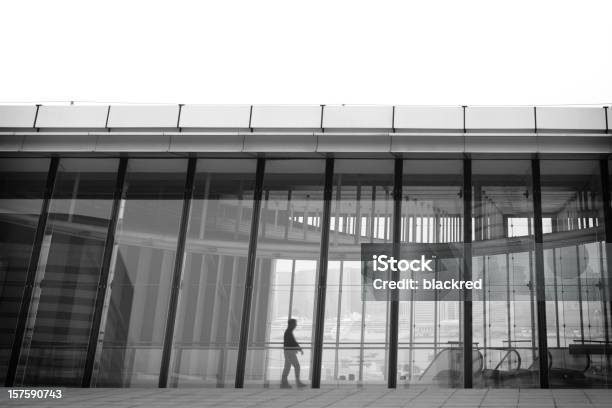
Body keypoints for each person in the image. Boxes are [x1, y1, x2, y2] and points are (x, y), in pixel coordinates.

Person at [281, 318, 307, 388]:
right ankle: (297, 382)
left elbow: (292, 342)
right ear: (291, 324)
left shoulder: (288, 332)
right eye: (295, 324)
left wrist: (298, 348)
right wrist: (298, 348)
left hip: (288, 351)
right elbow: (292, 343)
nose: (296, 325)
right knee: (296, 366)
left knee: (287, 367)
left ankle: (283, 383)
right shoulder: (288, 332)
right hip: (289, 352)